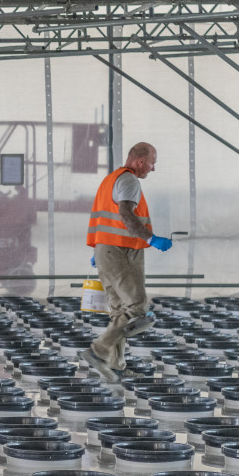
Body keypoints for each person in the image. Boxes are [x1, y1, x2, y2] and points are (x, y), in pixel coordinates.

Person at [80, 142, 173, 384]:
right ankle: (98, 350)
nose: (152, 169)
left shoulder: (111, 178)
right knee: (137, 306)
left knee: (119, 311)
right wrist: (150, 238)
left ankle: (116, 367)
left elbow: (107, 218)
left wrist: (101, 250)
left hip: (107, 250)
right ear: (141, 161)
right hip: (119, 251)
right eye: (152, 162)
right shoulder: (130, 180)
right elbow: (125, 213)